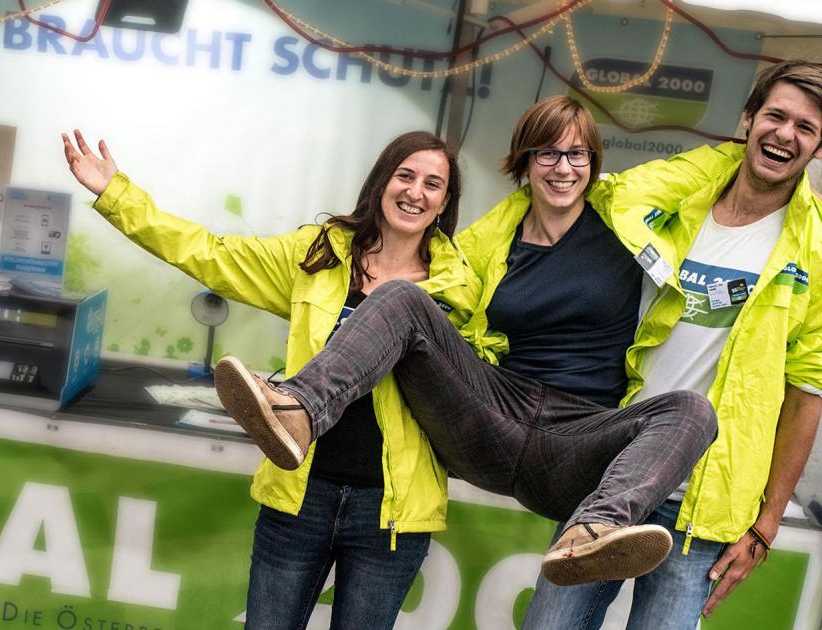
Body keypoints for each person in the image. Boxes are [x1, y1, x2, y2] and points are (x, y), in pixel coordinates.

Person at [212, 95, 723, 588]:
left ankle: (594, 530)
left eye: (577, 154)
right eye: (547, 153)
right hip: (494, 418)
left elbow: (715, 164)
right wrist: (358, 253)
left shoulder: (627, 208)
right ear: (525, 161)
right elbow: (428, 307)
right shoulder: (486, 240)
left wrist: (761, 131)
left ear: (593, 162)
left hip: (578, 438)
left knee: (693, 410)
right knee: (402, 296)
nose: (563, 168)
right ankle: (299, 410)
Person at [61, 128, 481, 629]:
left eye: (433, 184)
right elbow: (211, 254)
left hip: (390, 515)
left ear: (444, 203)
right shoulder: (320, 256)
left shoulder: (457, 289)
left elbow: (479, 380)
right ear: (381, 182)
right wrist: (116, 195)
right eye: (405, 176)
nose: (415, 192)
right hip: (301, 495)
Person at [521, 60, 822, 629]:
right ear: (748, 119)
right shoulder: (680, 197)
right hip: (616, 478)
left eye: (805, 127)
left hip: (703, 505)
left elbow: (808, 390)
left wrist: (766, 524)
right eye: (776, 116)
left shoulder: (816, 248)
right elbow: (587, 200)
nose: (785, 134)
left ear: (819, 147)